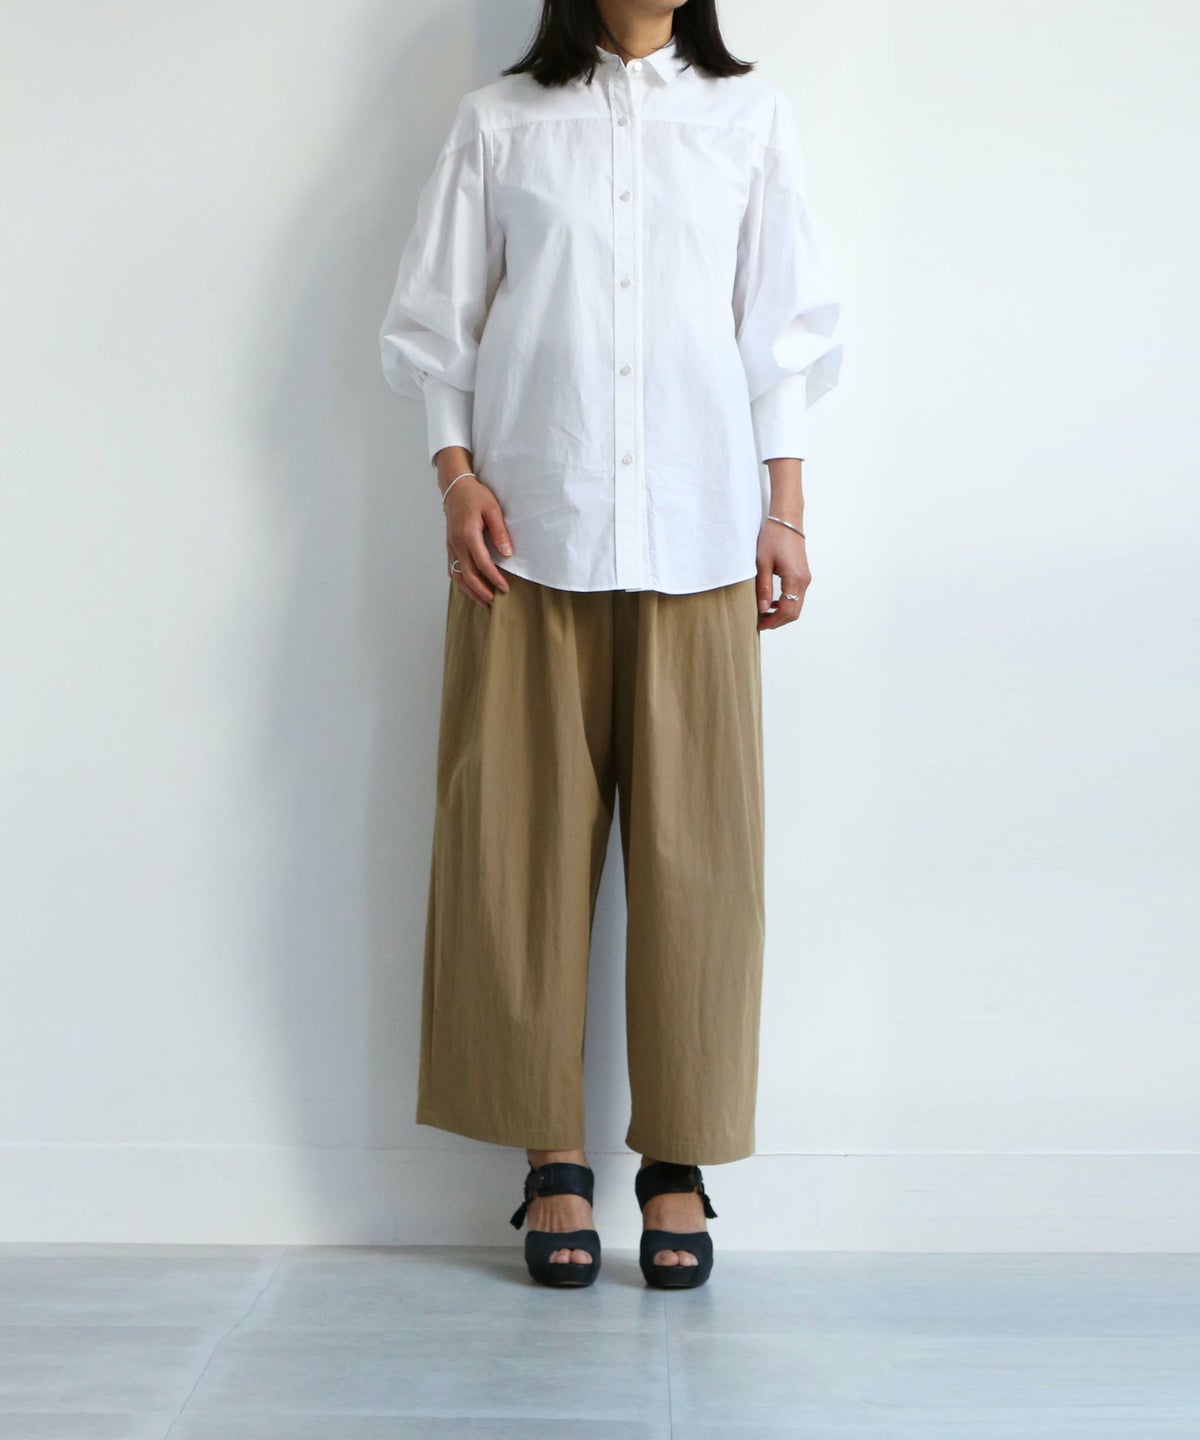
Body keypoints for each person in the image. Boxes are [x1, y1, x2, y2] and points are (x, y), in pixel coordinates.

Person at [378, 0, 841, 1290]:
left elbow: (781, 332)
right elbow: (437, 323)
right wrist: (454, 478)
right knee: (513, 852)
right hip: (528, 534)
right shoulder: (499, 123)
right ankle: (551, 1160)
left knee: (702, 863)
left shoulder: (749, 118)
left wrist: (786, 511)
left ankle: (677, 1160)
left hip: (704, 533)